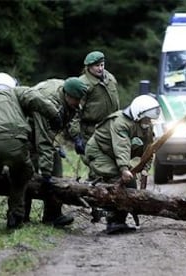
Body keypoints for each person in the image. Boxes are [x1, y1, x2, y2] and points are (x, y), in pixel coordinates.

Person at [0, 72, 63, 229]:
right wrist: (54, 115)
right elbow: (35, 98)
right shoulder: (15, 92)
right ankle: (16, 216)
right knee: (22, 174)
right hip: (15, 142)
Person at [84, 95, 160, 234]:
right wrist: (124, 169)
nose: (149, 122)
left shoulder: (146, 127)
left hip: (115, 154)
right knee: (116, 179)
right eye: (146, 119)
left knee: (131, 185)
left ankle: (120, 220)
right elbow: (122, 146)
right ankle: (110, 219)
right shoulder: (120, 122)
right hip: (100, 152)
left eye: (150, 119)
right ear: (138, 114)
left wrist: (145, 170)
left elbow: (148, 150)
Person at [24, 77, 87, 227]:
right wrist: (46, 173)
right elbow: (43, 139)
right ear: (67, 95)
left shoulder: (71, 92)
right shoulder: (48, 103)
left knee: (56, 174)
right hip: (28, 132)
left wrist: (76, 136)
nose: (78, 103)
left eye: (80, 100)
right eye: (76, 100)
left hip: (46, 133)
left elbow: (71, 117)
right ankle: (21, 216)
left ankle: (53, 216)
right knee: (27, 174)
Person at [69, 51, 120, 159]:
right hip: (91, 130)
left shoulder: (110, 78)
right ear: (89, 67)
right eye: (97, 66)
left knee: (113, 159)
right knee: (95, 161)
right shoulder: (83, 84)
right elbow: (74, 113)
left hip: (111, 127)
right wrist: (76, 137)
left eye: (102, 65)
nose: (100, 68)